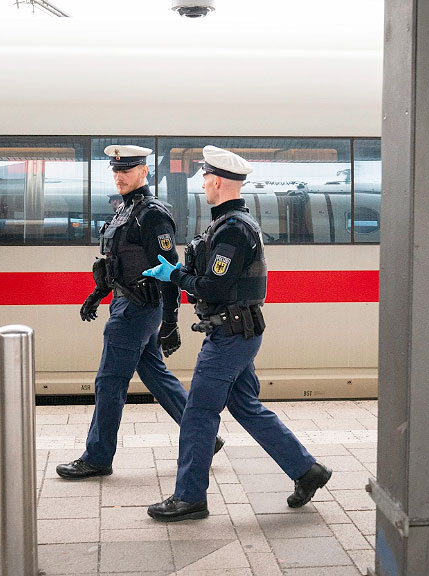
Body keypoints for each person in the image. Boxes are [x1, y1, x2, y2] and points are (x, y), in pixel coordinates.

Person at [142, 146, 331, 521]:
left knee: (197, 413)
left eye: (206, 176)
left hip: (230, 336)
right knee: (245, 405)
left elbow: (212, 287)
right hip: (236, 332)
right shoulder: (227, 224)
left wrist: (175, 276)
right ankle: (307, 471)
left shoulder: (233, 229)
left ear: (220, 181)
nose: (203, 182)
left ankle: (190, 497)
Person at [57, 144, 223, 480]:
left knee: (109, 381)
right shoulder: (124, 210)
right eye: (116, 170)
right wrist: (98, 292)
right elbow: (118, 263)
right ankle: (208, 437)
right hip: (125, 301)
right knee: (155, 375)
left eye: (126, 170)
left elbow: (170, 269)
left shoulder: (152, 214)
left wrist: (171, 322)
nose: (119, 176)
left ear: (144, 172)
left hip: (136, 308)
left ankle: (97, 457)